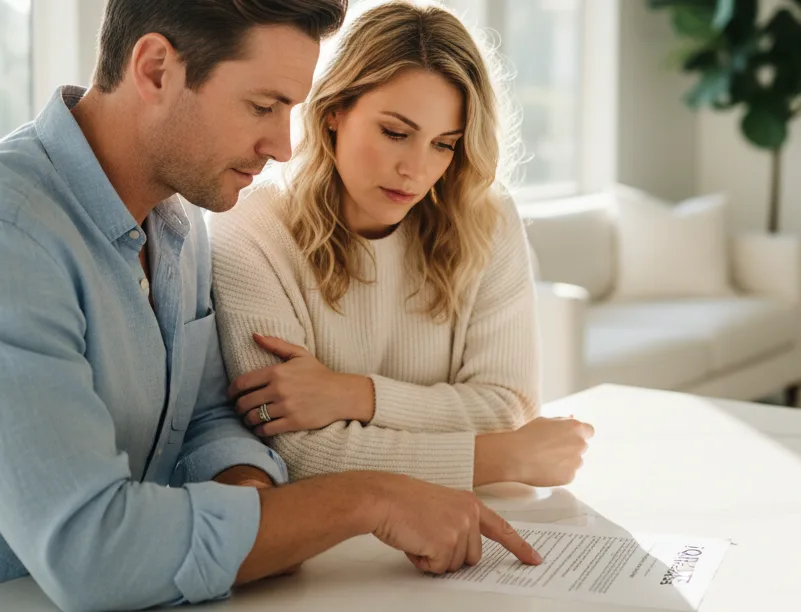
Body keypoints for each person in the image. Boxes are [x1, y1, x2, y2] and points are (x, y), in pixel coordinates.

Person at [0, 2, 543, 611]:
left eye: (291, 108)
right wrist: (368, 498)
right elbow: (91, 551)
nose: (285, 147)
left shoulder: (180, 222)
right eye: (262, 106)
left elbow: (209, 420)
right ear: (155, 69)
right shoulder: (13, 236)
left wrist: (260, 510)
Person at [209, 1, 594, 491]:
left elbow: (508, 408)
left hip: (469, 524)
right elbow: (296, 451)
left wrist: (355, 396)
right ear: (334, 112)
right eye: (395, 133)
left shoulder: (486, 220)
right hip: (333, 543)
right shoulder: (252, 230)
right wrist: (497, 459)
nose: (416, 170)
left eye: (444, 144)